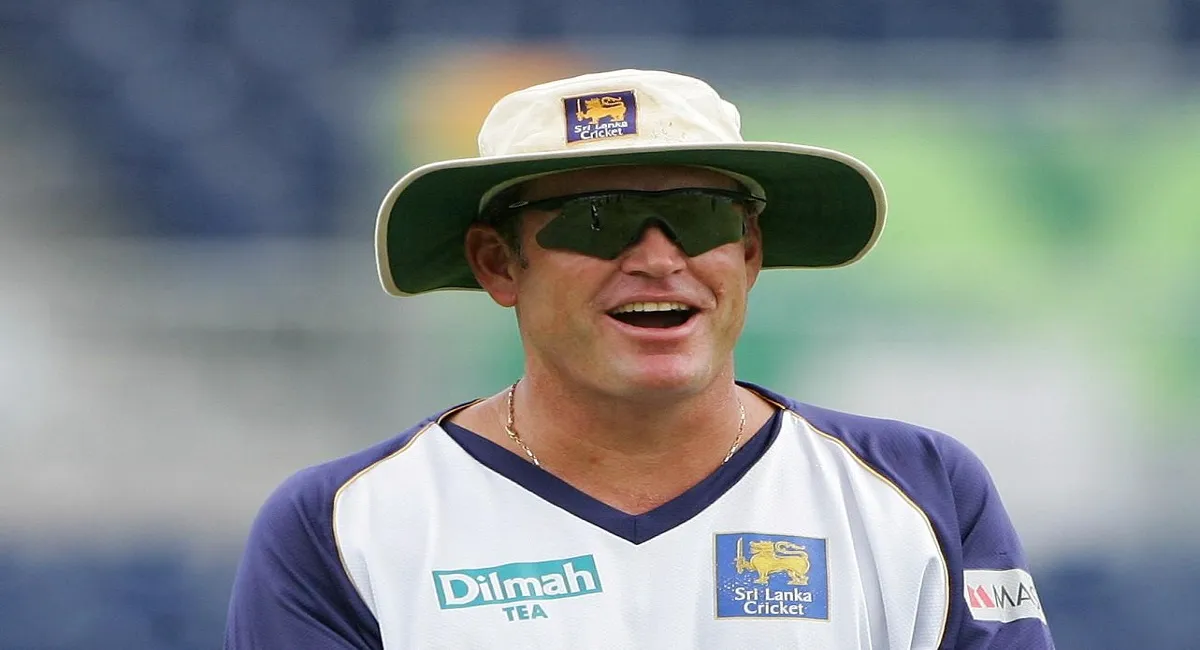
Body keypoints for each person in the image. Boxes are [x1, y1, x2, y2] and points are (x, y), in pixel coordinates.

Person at [224, 69, 1056, 649]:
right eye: (599, 219)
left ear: (750, 252)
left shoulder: (923, 491)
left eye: (700, 217)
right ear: (498, 264)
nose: (659, 259)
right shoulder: (342, 528)